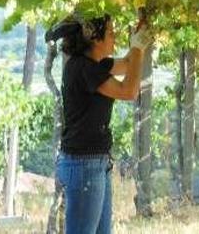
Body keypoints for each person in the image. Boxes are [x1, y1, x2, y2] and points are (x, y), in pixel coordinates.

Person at [46, 14, 153, 234]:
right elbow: (129, 91)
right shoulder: (85, 68)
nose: (115, 38)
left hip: (93, 163)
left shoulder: (95, 64)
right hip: (84, 164)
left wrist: (139, 38)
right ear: (95, 38)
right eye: (111, 33)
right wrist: (137, 47)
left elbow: (127, 64)